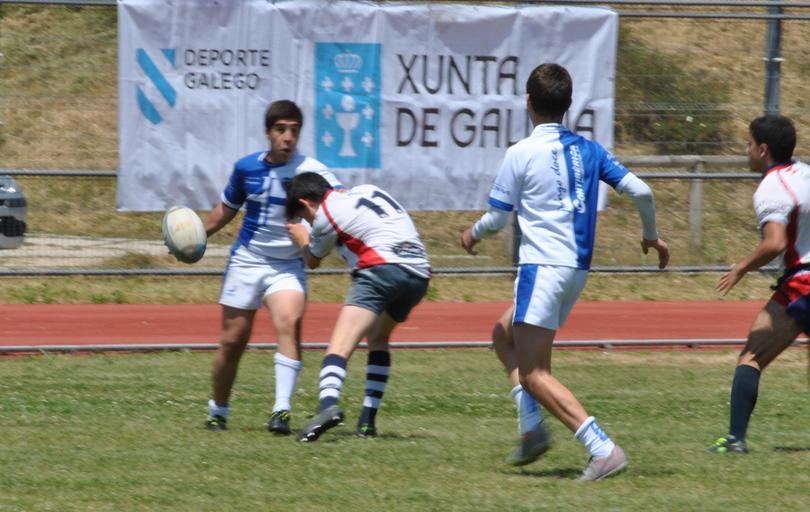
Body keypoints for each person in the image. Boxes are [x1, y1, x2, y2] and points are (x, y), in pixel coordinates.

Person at [461, 63, 669, 480]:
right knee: (503, 335)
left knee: (534, 373)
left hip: (542, 266)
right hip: (575, 268)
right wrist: (651, 235)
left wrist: (472, 233)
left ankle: (603, 449)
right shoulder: (589, 150)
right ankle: (531, 429)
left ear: (528, 102)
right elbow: (642, 191)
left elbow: (497, 219)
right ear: (568, 105)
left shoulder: (520, 152)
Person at [202, 100, 343, 433]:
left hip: (287, 265)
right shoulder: (246, 168)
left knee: (289, 323)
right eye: (281, 129)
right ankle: (218, 410)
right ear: (268, 132)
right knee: (232, 341)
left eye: (294, 130)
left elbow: (341, 205)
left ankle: (281, 411)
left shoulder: (314, 171)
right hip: (248, 260)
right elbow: (226, 208)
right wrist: (196, 236)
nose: (288, 137)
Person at [284, 172, 431, 442]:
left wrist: (302, 238)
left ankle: (327, 406)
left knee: (339, 347)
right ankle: (367, 422)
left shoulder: (325, 215)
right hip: (419, 273)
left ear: (305, 203)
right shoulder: (367, 190)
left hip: (382, 268)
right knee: (378, 338)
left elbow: (312, 260)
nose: (308, 222)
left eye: (304, 216)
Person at [708, 115, 810, 454]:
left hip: (803, 283)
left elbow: (776, 243)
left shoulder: (771, 187)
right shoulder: (805, 172)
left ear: (763, 149)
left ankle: (735, 439)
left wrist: (740, 268)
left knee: (751, 356)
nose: (746, 150)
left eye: (749, 144)